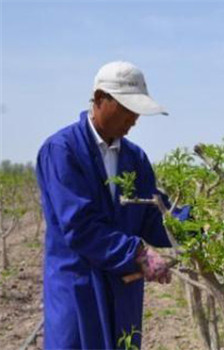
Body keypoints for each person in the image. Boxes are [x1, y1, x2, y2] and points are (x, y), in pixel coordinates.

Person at [36, 61, 177, 349]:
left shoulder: (135, 158)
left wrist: (193, 227)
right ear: (100, 100)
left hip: (123, 288)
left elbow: (152, 216)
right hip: (79, 287)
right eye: (127, 109)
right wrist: (139, 254)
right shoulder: (62, 151)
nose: (134, 119)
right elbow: (80, 226)